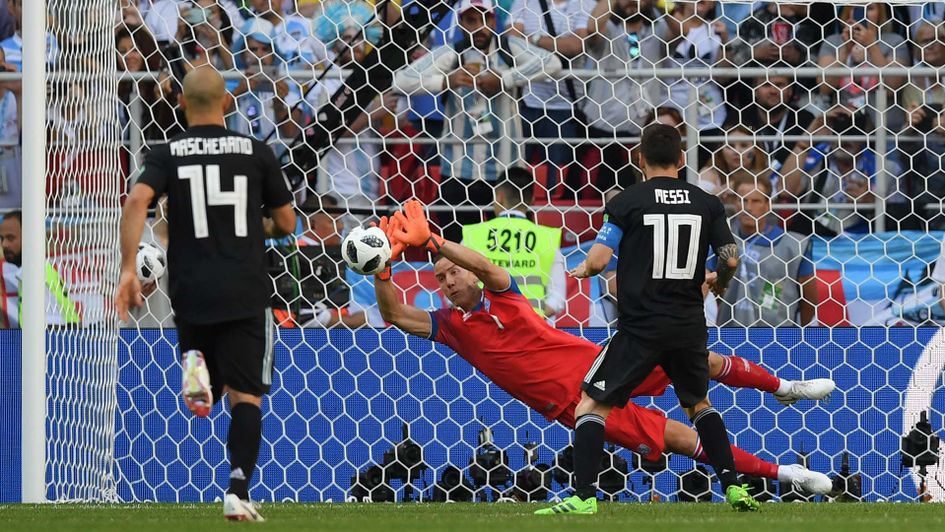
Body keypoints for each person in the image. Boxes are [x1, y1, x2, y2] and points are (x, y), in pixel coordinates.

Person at [375, 200, 834, 506]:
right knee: (679, 439)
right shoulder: (451, 327)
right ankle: (785, 473)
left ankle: (783, 387)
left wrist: (434, 241)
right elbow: (395, 313)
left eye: (453, 272)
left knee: (700, 362)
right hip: (575, 406)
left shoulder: (503, 295)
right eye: (440, 277)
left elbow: (485, 264)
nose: (449, 281)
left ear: (469, 274)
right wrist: (382, 268)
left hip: (601, 364)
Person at [114, 67, 296, 521]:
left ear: (181, 103)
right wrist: (253, 225)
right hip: (245, 288)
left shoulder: (167, 152)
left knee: (208, 364)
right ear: (227, 102)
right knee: (246, 397)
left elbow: (136, 201)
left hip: (191, 288)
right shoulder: (256, 152)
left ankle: (198, 368)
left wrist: (128, 269)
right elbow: (286, 223)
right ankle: (237, 489)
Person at [557, 124, 757, 513]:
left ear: (640, 159)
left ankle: (583, 497)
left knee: (591, 406)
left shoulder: (627, 201)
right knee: (698, 405)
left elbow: (599, 259)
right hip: (687, 324)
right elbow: (731, 258)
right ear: (681, 159)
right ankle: (734, 487)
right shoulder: (707, 202)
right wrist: (719, 283)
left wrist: (584, 269)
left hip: (641, 326)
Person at [392, 0, 561, 242]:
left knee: (508, 246)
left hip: (506, 168)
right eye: (471, 20)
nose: (479, 27)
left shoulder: (509, 48)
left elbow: (552, 63)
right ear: (461, 23)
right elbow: (400, 81)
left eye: (485, 19)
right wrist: (445, 81)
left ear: (494, 21)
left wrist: (505, 79)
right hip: (459, 169)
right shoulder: (452, 54)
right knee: (457, 245)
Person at [462, 167, 566, 319]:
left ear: (499, 197)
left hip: (485, 327)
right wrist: (530, 321)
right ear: (532, 200)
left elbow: (457, 289)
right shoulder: (547, 237)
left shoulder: (474, 235)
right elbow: (558, 299)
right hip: (531, 329)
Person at [716, 175, 818, 327]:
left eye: (756, 201)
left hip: (777, 334)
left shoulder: (793, 245)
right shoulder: (721, 239)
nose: (748, 207)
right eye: (742, 200)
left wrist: (798, 331)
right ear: (735, 204)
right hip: (730, 332)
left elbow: (810, 300)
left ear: (768, 205)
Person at [0, 211, 80, 327]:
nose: (4, 244)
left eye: (10, 238)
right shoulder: (36, 269)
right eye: (2, 238)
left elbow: (51, 324)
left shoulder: (35, 275)